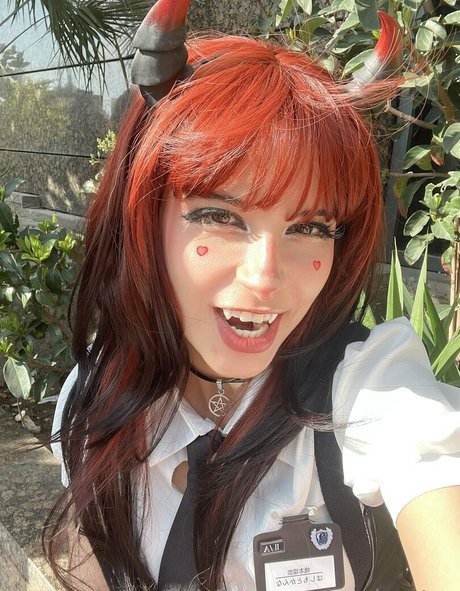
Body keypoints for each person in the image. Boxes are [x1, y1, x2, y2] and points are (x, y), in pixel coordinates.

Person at [45, 1, 460, 590]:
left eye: (310, 226)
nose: (266, 277)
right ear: (144, 221)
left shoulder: (366, 390)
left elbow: (427, 457)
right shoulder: (94, 402)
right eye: (220, 215)